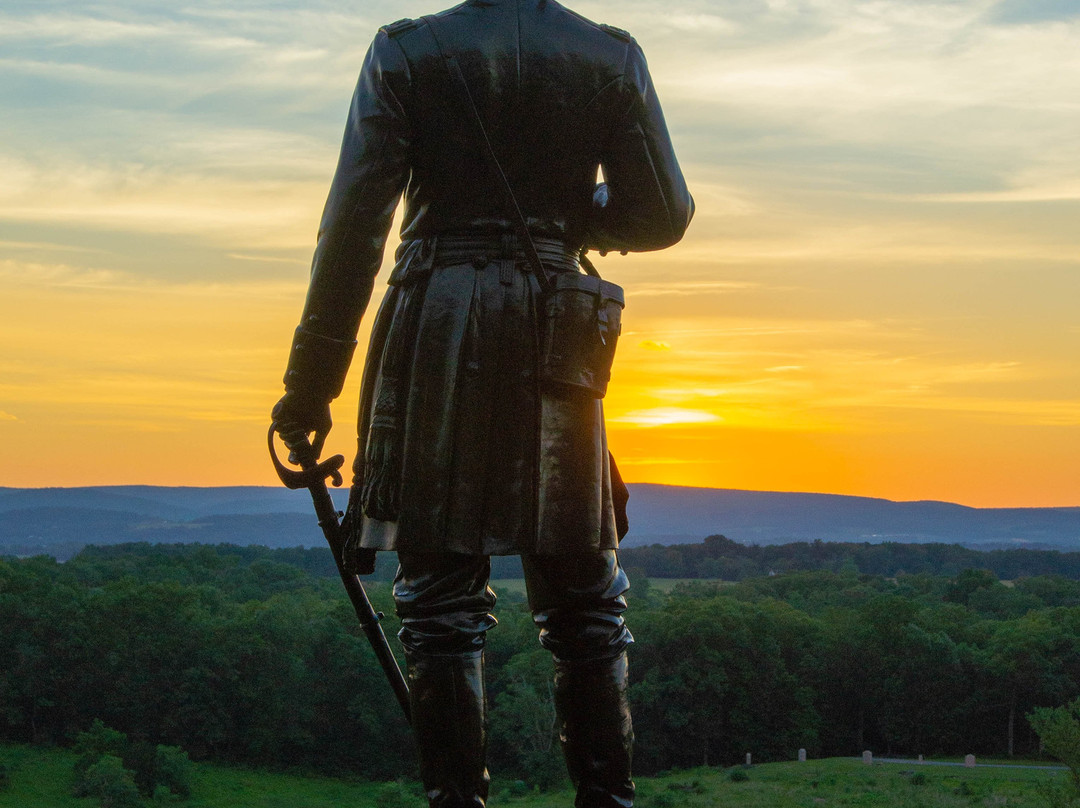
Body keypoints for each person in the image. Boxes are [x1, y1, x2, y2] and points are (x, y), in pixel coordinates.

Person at [271, 2, 693, 806]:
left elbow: (355, 226)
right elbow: (662, 212)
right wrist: (565, 221)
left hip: (439, 319)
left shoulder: (408, 51)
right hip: (551, 318)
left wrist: (309, 383)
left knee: (438, 604)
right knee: (585, 601)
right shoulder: (609, 56)